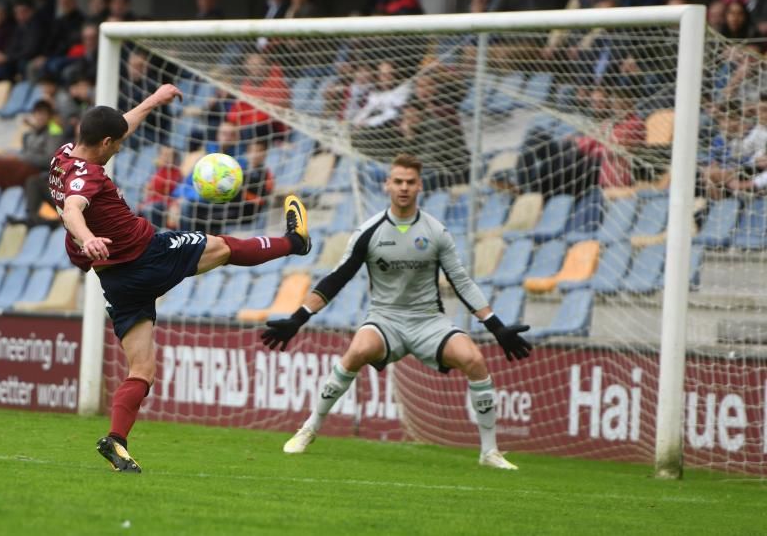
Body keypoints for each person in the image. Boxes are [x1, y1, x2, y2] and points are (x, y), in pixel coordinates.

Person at [47, 84, 312, 472]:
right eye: (116, 143)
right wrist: (87, 239)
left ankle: (116, 440)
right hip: (147, 256)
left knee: (142, 369)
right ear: (104, 143)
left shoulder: (64, 156)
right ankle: (294, 242)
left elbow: (121, 128)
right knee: (221, 247)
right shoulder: (86, 178)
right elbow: (73, 209)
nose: (120, 147)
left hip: (116, 281)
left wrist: (154, 101)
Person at [263, 154, 530, 470]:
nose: (404, 188)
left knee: (474, 359)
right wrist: (298, 319)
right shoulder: (369, 231)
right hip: (384, 318)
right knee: (357, 350)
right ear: (387, 185)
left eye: (410, 182)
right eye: (398, 182)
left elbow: (461, 281)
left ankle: (490, 452)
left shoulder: (435, 231)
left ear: (419, 186)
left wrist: (496, 326)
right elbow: (336, 279)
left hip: (428, 319)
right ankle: (309, 428)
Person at [0, 100, 64, 189]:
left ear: (49, 117)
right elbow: (23, 153)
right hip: (23, 164)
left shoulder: (53, 134)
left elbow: (50, 160)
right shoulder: (29, 134)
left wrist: (21, 157)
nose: (40, 117)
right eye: (38, 114)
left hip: (36, 169)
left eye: (43, 114)